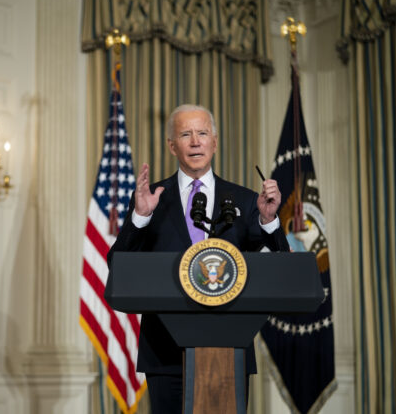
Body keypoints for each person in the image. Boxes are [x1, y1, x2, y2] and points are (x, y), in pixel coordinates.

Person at [108, 104, 290, 413]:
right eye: (185, 134)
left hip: (229, 349)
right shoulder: (150, 198)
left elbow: (281, 268)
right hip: (164, 353)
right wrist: (140, 217)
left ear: (214, 143)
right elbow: (119, 265)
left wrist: (269, 221)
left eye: (203, 133)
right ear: (172, 146)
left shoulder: (246, 201)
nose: (195, 142)